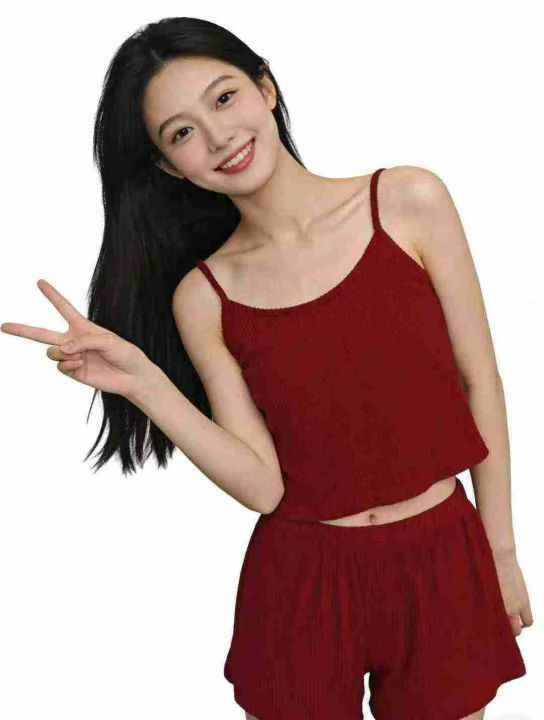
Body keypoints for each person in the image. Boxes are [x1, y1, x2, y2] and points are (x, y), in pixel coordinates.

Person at [1, 16, 533, 720]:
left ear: (266, 87)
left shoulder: (409, 201)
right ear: (169, 166)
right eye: (182, 132)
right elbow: (263, 487)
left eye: (224, 98)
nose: (218, 137)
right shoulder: (204, 296)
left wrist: (500, 551)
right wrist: (145, 384)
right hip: (302, 581)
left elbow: (480, 382)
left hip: (441, 559)